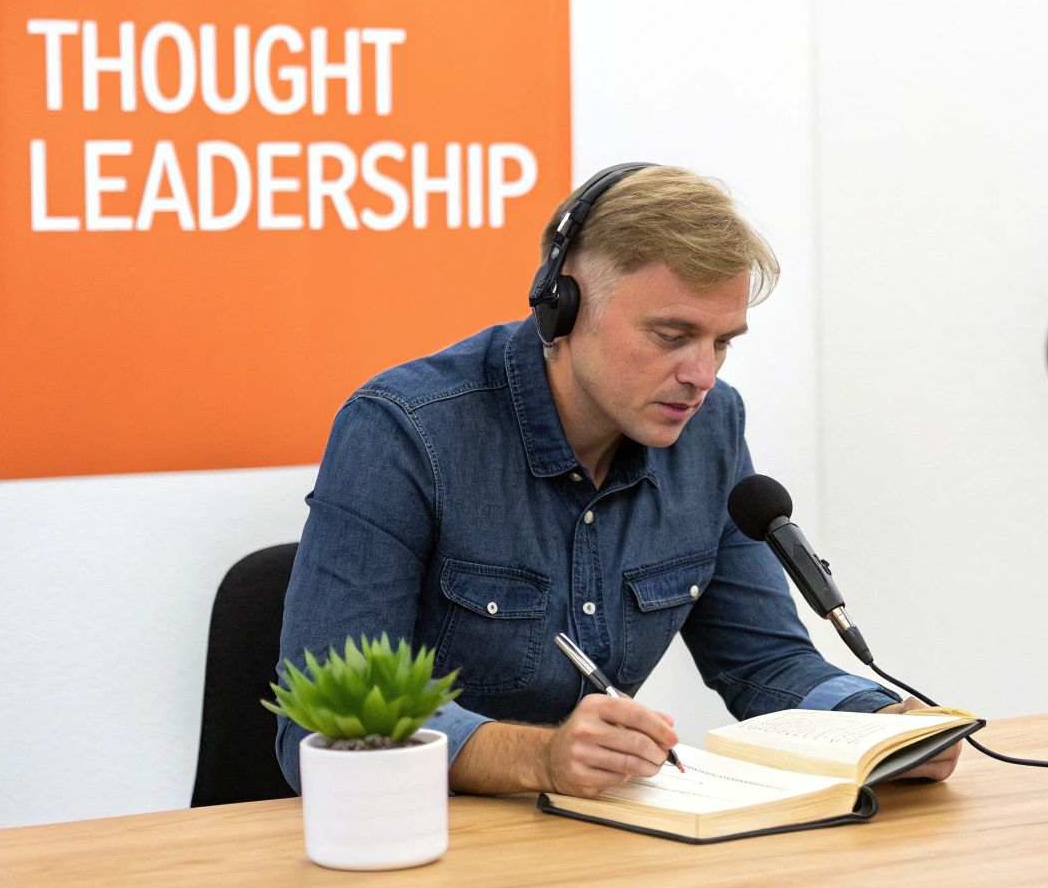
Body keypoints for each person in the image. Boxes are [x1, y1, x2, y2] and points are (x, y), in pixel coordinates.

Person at [275, 164, 958, 797]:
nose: (702, 375)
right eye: (671, 336)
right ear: (563, 306)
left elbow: (764, 663)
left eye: (723, 342)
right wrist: (539, 759)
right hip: (414, 850)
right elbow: (326, 725)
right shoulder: (403, 429)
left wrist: (881, 725)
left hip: (598, 845)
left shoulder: (712, 428)